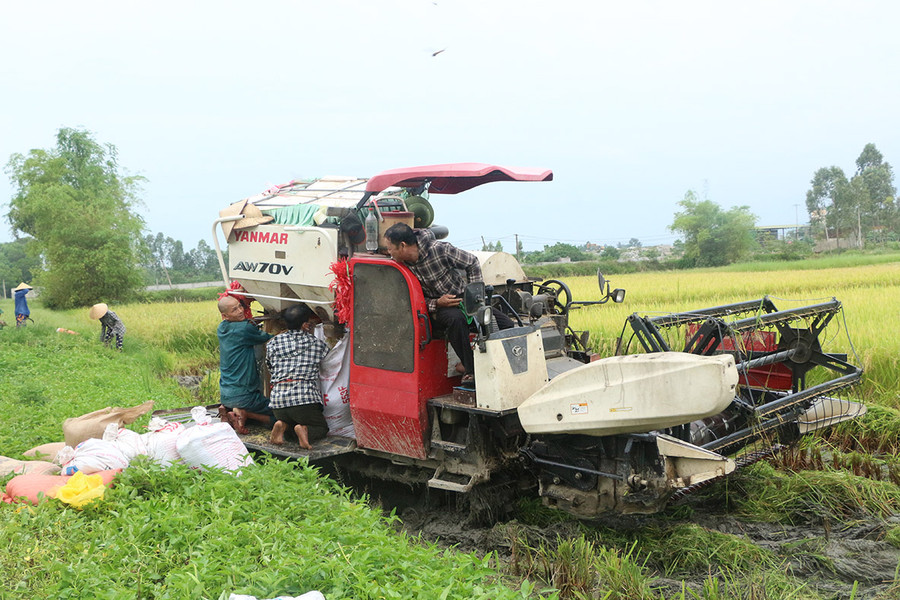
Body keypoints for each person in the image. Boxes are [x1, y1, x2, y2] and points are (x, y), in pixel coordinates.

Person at [383, 222, 513, 386]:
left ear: (402, 246)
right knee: (456, 320)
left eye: (390, 248)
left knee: (507, 324)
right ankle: (470, 369)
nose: (389, 253)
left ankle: (503, 367)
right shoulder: (400, 268)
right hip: (435, 308)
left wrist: (475, 299)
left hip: (463, 299)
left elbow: (472, 262)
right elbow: (408, 300)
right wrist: (437, 303)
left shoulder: (440, 249)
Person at [265, 303, 331, 449]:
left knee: (290, 428)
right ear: (305, 325)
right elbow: (329, 364)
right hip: (304, 400)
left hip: (278, 401)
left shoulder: (273, 343)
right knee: (321, 428)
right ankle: (304, 430)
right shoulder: (317, 344)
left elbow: (269, 366)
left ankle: (282, 425)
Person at [217, 294, 274, 433]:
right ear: (225, 316)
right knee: (280, 415)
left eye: (240, 306)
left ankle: (230, 409)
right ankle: (245, 413)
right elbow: (270, 338)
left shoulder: (222, 328)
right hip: (245, 396)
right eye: (234, 310)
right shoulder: (244, 329)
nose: (240, 311)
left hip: (226, 394)